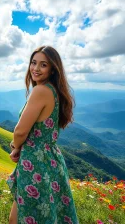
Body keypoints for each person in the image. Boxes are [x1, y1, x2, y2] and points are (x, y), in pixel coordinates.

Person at [6, 46, 79, 224]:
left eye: (43, 65)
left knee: (27, 216)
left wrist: (16, 147)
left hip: (35, 163)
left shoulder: (40, 91)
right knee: (45, 215)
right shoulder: (55, 91)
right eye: (33, 63)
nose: (36, 69)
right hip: (51, 160)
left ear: (53, 68)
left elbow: (21, 131)